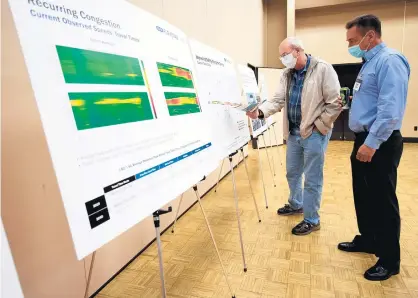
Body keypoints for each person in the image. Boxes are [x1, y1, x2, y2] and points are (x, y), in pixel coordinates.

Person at [338, 14, 410, 281]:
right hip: (364, 139)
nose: (350, 45)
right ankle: (369, 239)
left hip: (379, 142)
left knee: (382, 200)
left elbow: (390, 111)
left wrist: (371, 143)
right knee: (364, 195)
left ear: (370, 36)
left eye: (353, 40)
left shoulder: (389, 61)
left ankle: (389, 260)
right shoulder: (368, 62)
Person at [247, 37, 341, 235]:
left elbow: (334, 103)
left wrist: (319, 127)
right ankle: (296, 204)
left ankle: (312, 219)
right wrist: (260, 112)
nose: (283, 59)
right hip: (293, 133)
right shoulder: (286, 74)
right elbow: (277, 100)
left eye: (284, 55)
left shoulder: (323, 69)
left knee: (313, 178)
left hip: (314, 133)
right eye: (281, 56)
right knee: (292, 172)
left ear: (298, 51)